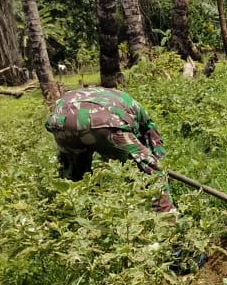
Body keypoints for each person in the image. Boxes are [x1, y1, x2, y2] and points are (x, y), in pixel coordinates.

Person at [44, 86, 175, 212]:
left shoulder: (115, 97)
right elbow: (154, 141)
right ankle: (167, 218)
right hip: (103, 121)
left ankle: (73, 211)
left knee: (74, 175)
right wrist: (158, 165)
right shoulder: (141, 113)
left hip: (60, 121)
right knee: (153, 172)